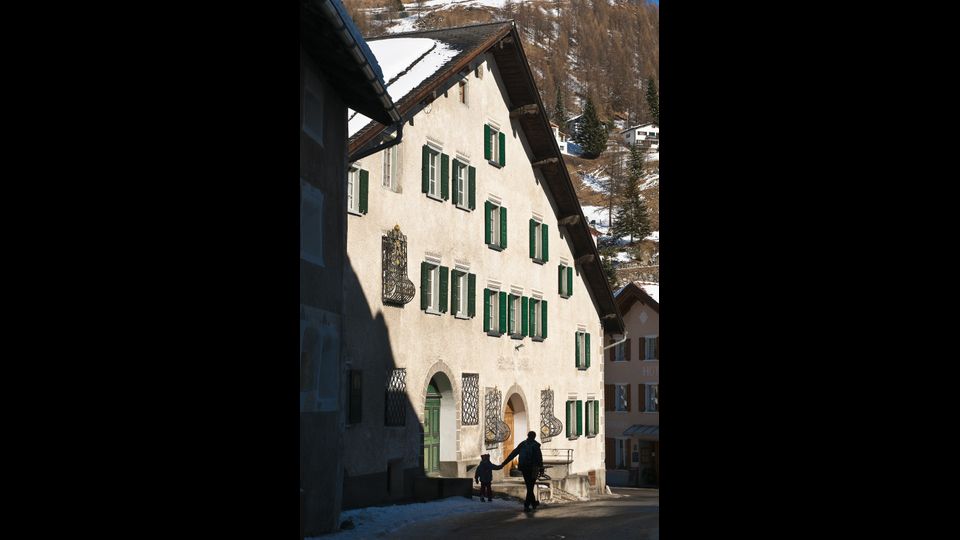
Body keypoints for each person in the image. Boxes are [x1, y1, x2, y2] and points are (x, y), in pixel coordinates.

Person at [500, 431, 544, 512]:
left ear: (527, 436)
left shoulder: (523, 444)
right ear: (534, 437)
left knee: (529, 485)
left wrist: (504, 463)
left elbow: (513, 453)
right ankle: (527, 505)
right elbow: (539, 458)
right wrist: (541, 468)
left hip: (524, 468)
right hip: (533, 468)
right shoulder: (536, 445)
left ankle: (533, 503)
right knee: (530, 486)